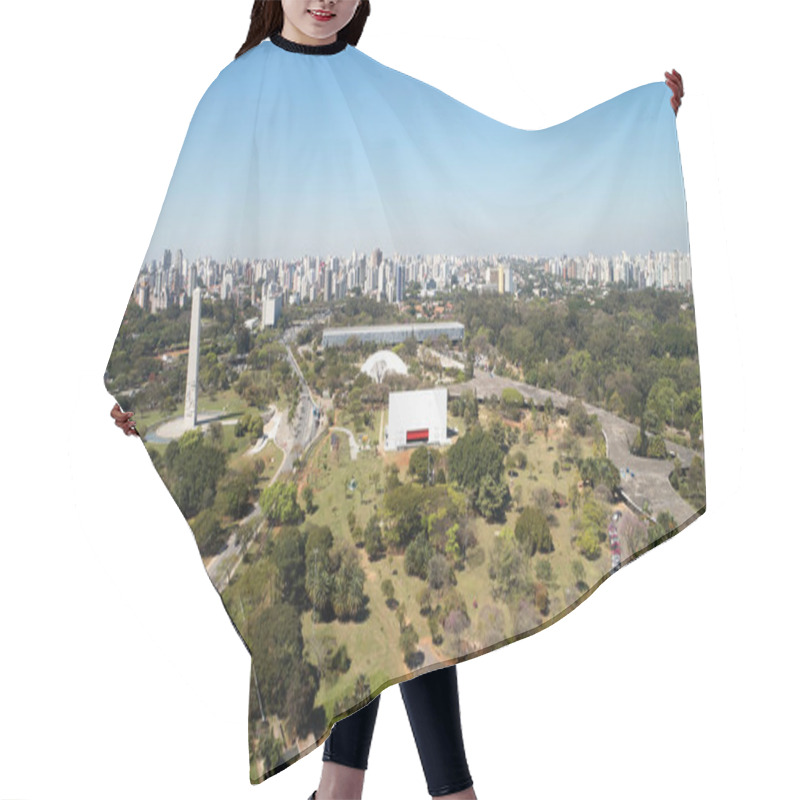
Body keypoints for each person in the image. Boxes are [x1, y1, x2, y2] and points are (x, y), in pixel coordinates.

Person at [110, 2, 685, 798]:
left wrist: (638, 124)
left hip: (393, 397)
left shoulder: (378, 86)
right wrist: (152, 391)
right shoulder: (234, 93)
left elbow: (497, 163)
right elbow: (201, 230)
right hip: (336, 409)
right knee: (388, 595)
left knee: (411, 593)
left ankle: (355, 790)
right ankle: (418, 791)